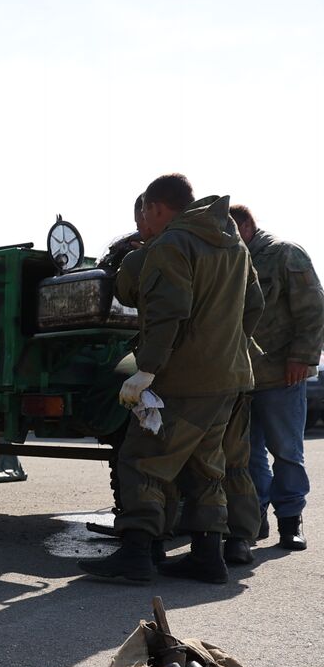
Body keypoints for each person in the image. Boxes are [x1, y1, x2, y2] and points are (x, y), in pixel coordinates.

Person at [79, 174, 263, 584]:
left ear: (155, 208)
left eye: (144, 210)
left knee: (142, 459)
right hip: (230, 378)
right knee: (206, 466)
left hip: (183, 380)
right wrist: (226, 346)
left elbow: (168, 313)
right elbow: (255, 303)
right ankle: (207, 555)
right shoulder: (232, 244)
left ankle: (136, 554)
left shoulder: (171, 245)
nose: (142, 218)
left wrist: (147, 369)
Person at [229, 204, 324, 551]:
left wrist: (302, 357)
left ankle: (290, 521)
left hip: (283, 374)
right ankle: (255, 519)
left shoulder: (284, 254)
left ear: (249, 226)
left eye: (232, 231)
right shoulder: (230, 262)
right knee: (247, 454)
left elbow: (313, 309)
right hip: (241, 377)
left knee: (286, 451)